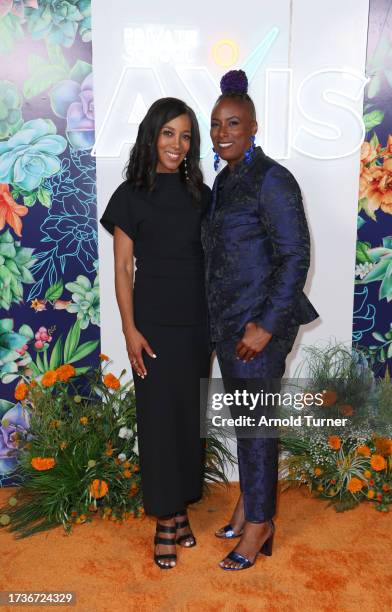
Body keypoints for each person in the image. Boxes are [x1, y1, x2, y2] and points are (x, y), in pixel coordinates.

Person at [203, 70, 319, 570]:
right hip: (228, 324)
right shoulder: (226, 180)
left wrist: (267, 324)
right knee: (248, 421)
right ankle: (249, 504)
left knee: (255, 426)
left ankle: (259, 525)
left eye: (233, 123)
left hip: (258, 327)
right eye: (215, 125)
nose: (222, 132)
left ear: (254, 127)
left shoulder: (273, 178)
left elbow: (296, 254)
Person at [100, 97, 211, 570]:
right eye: (169, 133)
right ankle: (165, 519)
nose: (177, 144)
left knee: (189, 421)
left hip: (198, 324)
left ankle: (181, 510)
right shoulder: (131, 194)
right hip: (152, 326)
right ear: (152, 136)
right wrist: (129, 330)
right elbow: (123, 268)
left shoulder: (201, 195)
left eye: (185, 136)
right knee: (159, 421)